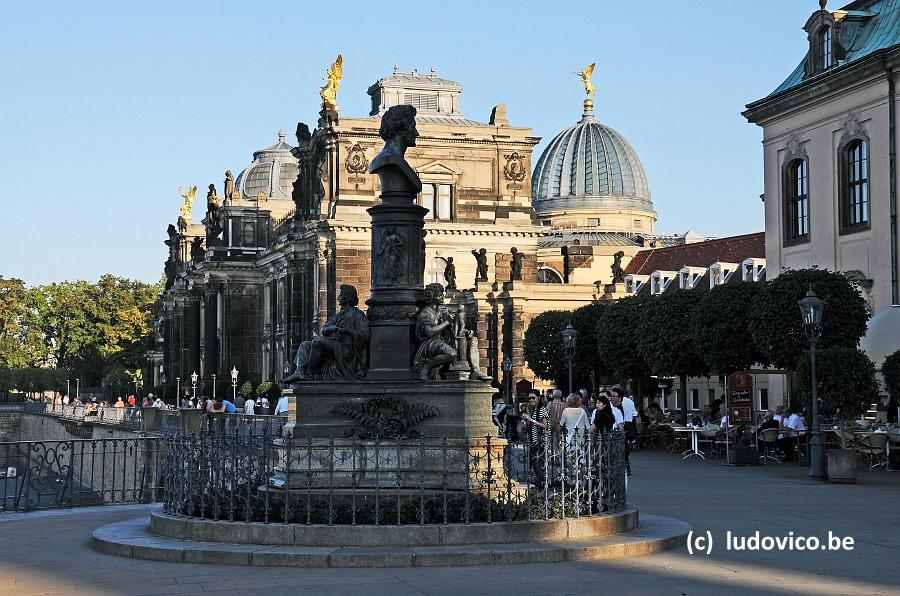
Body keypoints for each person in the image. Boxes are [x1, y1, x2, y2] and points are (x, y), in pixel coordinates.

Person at [522, 393, 549, 484]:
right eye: (529, 398)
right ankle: (538, 480)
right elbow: (532, 424)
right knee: (534, 461)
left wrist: (531, 420)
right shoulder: (534, 409)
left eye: (533, 397)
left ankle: (541, 481)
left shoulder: (542, 409)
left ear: (539, 398)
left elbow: (545, 426)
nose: (531, 400)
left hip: (541, 440)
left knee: (538, 462)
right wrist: (527, 420)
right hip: (534, 439)